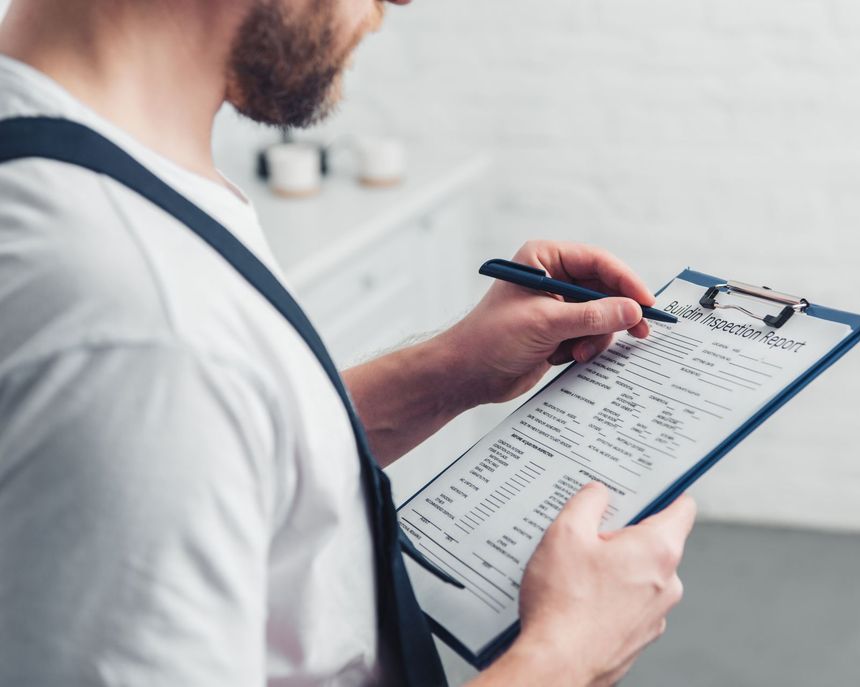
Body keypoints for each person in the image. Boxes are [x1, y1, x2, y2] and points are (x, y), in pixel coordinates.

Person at [0, 1, 696, 685]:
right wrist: (565, 653)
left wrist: (451, 370)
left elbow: (225, 446)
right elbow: (171, 383)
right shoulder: (142, 321)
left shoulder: (81, 169)